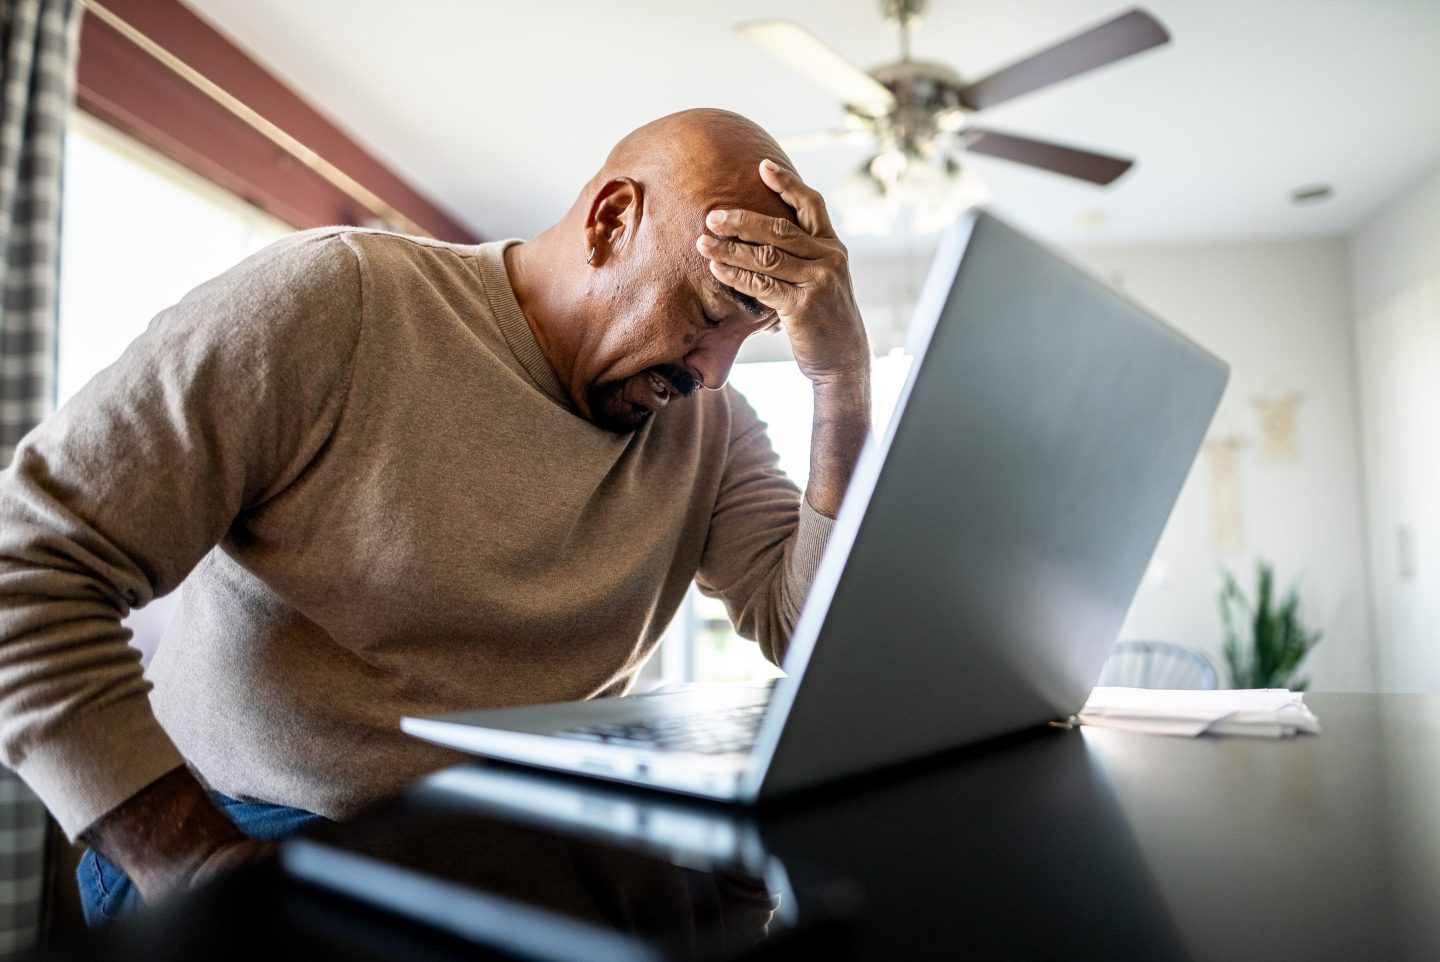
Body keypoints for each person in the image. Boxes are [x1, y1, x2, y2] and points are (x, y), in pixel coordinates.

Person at [0, 108, 871, 922]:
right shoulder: (336, 301)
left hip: (530, 839)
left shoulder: (709, 425)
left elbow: (811, 631)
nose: (714, 372)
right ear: (611, 220)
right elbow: (25, 567)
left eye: (748, 338)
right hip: (262, 826)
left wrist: (840, 387)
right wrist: (194, 868)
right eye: (712, 313)